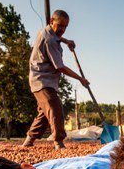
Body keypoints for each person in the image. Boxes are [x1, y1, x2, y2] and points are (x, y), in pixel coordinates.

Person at [24, 9, 90, 149]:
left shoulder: (46, 32)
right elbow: (60, 67)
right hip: (41, 80)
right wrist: (80, 79)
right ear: (51, 21)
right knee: (55, 106)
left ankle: (29, 140)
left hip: (45, 79)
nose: (62, 29)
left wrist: (66, 41)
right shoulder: (50, 41)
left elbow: (56, 36)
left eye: (65, 26)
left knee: (44, 113)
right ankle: (58, 142)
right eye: (60, 25)